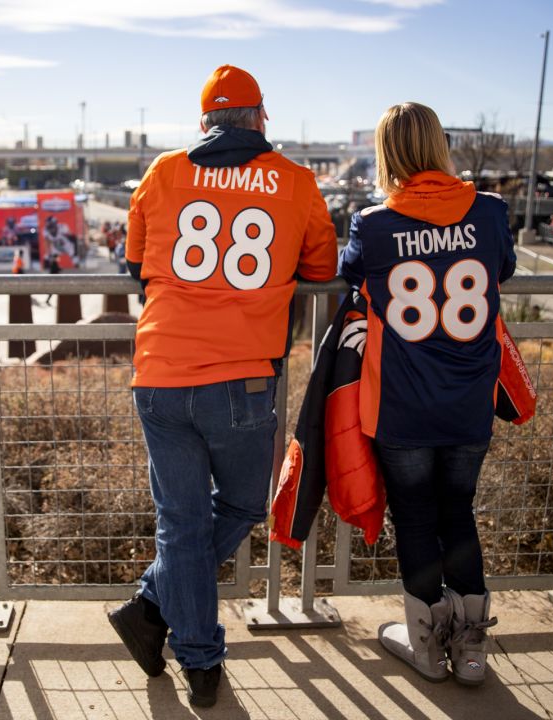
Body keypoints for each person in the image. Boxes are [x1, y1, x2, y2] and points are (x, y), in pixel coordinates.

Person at [106, 64, 337, 708]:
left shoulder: (164, 172)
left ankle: (176, 633)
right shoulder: (293, 181)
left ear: (205, 122)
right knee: (238, 506)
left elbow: (136, 266)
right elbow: (320, 266)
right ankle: (168, 624)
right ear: (260, 119)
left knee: (180, 525)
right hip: (241, 378)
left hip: (159, 371)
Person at [338, 102, 514, 686]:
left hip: (403, 405)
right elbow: (503, 267)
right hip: (469, 402)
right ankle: (470, 651)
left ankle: (427, 649)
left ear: (387, 154)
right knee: (458, 514)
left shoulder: (375, 223)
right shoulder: (490, 213)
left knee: (414, 518)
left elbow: (350, 272)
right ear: (440, 146)